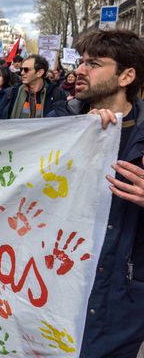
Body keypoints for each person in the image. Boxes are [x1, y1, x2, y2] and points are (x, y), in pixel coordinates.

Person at [51, 29, 144, 358]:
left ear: (126, 76)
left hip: (120, 305)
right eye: (81, 62)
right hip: (56, 284)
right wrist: (78, 138)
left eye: (93, 63)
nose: (80, 71)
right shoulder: (60, 121)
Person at [0, 54, 65, 119]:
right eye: (21, 69)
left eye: (26, 70)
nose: (22, 73)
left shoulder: (57, 94)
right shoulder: (12, 93)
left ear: (39, 73)